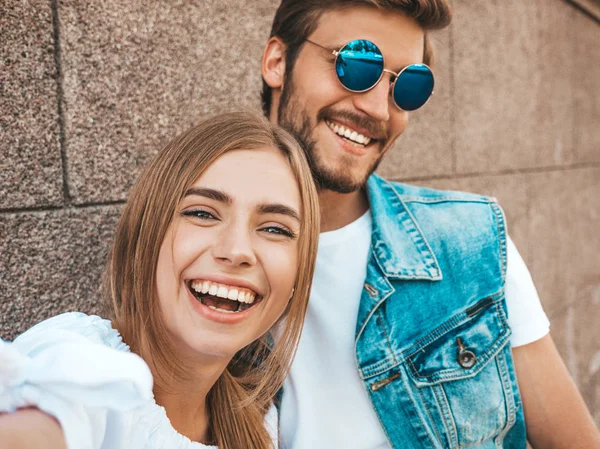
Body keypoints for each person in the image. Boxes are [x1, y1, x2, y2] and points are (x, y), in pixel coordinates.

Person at [259, 1, 600, 448]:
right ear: (277, 62)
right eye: (357, 64)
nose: (380, 109)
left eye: (408, 86)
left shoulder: (469, 243)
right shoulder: (197, 256)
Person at [0, 111, 320, 449]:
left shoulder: (258, 422)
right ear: (146, 237)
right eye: (201, 213)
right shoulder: (85, 373)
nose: (237, 250)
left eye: (274, 229)